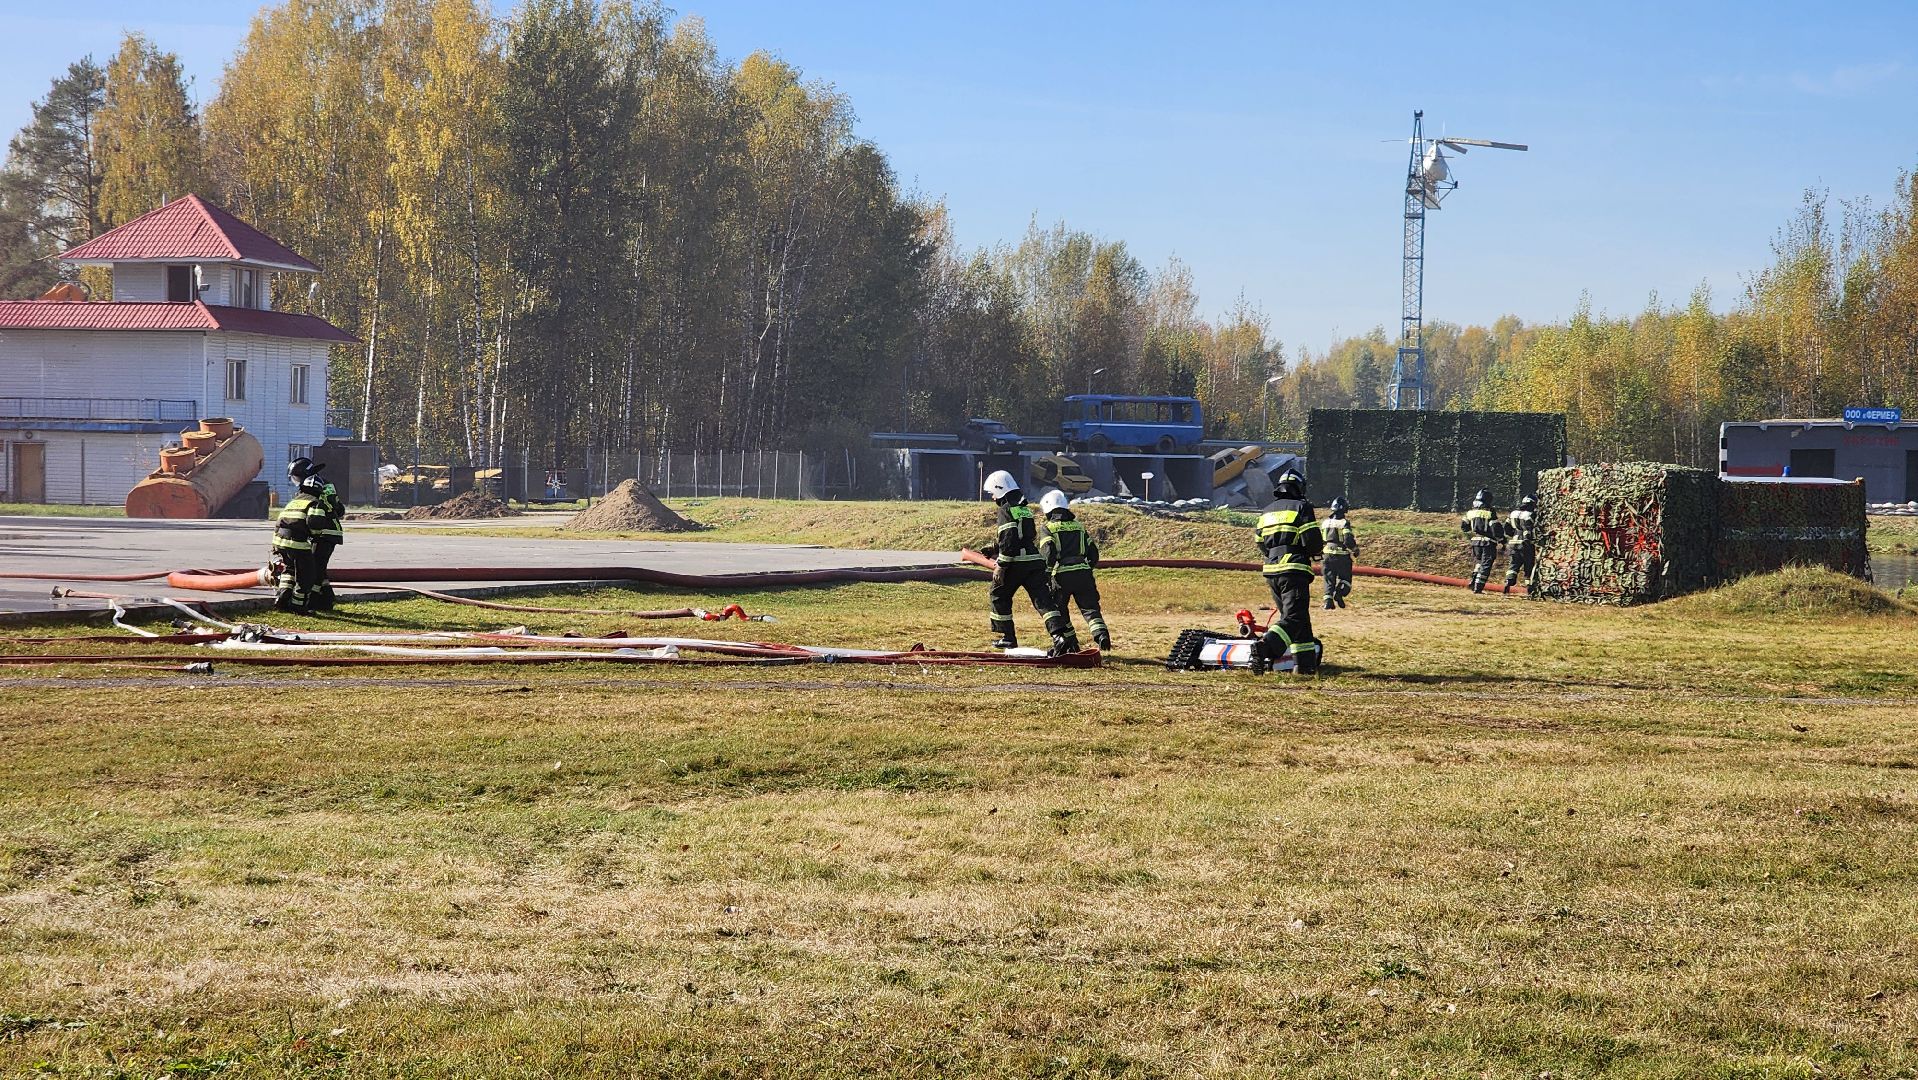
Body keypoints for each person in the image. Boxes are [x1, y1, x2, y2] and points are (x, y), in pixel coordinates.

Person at [982, 470, 1074, 652]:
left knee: (998, 594)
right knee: (1043, 601)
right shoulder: (1024, 509)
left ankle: (1007, 637)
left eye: (992, 492)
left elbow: (1009, 539)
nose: (992, 497)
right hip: (1034, 562)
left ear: (1000, 489)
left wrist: (1001, 565)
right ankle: (1059, 638)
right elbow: (1023, 536)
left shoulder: (1005, 509)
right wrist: (995, 548)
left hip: (1016, 563)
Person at [1252, 468, 1323, 675]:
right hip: (1293, 569)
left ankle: (1305, 665)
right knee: (1293, 618)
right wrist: (1315, 551)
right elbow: (1311, 541)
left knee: (1297, 617)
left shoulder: (1266, 512)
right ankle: (1265, 647)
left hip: (1272, 570)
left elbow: (1260, 543)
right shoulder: (1302, 507)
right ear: (1299, 487)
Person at [1037, 489, 1111, 651]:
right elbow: (1093, 553)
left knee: (1059, 610)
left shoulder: (1048, 528)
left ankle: (1071, 643)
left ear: (1048, 510)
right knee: (1090, 608)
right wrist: (1086, 569)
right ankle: (1101, 634)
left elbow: (1048, 554)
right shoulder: (1079, 526)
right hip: (1083, 573)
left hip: (1062, 576)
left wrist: (1046, 575)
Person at [270, 470, 333, 614]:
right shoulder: (315, 502)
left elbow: (279, 521)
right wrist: (316, 536)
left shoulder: (295, 500)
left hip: (280, 541)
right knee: (306, 576)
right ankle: (299, 607)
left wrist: (275, 545)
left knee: (289, 570)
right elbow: (315, 523)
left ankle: (282, 597)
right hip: (297, 543)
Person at [289, 458, 345, 610]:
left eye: (297, 478)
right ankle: (326, 598)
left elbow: (336, 510)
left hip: (324, 532)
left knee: (314, 568)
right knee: (319, 568)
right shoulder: (323, 484)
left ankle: (318, 601)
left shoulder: (314, 486)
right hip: (326, 532)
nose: (297, 482)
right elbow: (339, 509)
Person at [1460, 488, 1505, 594]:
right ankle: (1478, 587)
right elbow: (1495, 527)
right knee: (1486, 564)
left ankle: (1473, 581)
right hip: (1488, 542)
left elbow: (1464, 527)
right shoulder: (1489, 512)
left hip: (1475, 541)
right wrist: (1502, 539)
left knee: (1479, 562)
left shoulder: (1470, 512)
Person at [1320, 496, 1359, 610]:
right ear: (1345, 509)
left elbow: (1320, 539)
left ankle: (1328, 601)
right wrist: (1355, 549)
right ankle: (1339, 593)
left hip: (1327, 554)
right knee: (1345, 578)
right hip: (1341, 556)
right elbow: (1348, 540)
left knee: (1328, 578)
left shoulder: (1325, 523)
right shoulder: (1344, 523)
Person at [1504, 493, 1539, 592]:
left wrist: (1514, 534)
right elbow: (1530, 529)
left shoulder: (1512, 513)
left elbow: (1506, 528)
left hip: (1513, 542)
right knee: (1528, 565)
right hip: (1526, 544)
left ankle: (1508, 582)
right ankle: (1529, 587)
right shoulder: (1530, 514)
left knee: (1513, 564)